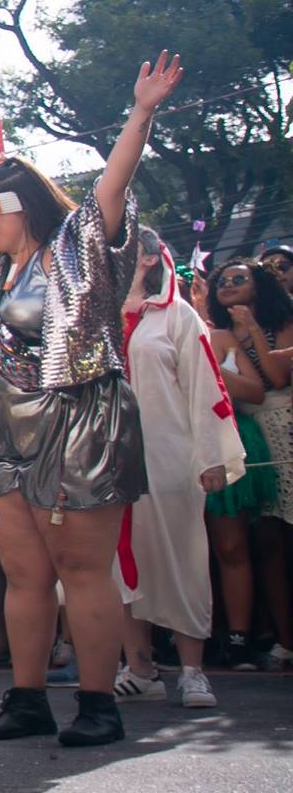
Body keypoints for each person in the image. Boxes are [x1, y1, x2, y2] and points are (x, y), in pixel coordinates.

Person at [0, 51, 183, 750]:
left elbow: (110, 184)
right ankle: (28, 698)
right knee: (24, 572)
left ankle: (98, 701)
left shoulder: (79, 245)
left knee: (83, 567)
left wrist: (141, 111)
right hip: (4, 433)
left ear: (20, 201)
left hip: (79, 422)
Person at [118, 229, 246, 710]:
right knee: (121, 564)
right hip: (110, 465)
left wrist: (211, 456)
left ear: (149, 258)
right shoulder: (98, 318)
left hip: (169, 457)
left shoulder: (177, 315)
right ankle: (140, 667)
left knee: (182, 557)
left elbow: (204, 386)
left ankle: (193, 671)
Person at [200, 257, 293, 668]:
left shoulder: (281, 324)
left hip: (280, 427)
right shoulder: (216, 333)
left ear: (261, 287)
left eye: (240, 278)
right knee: (263, 541)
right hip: (243, 435)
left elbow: (271, 381)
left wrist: (253, 331)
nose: (228, 283)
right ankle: (271, 634)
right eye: (222, 279)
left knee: (280, 542)